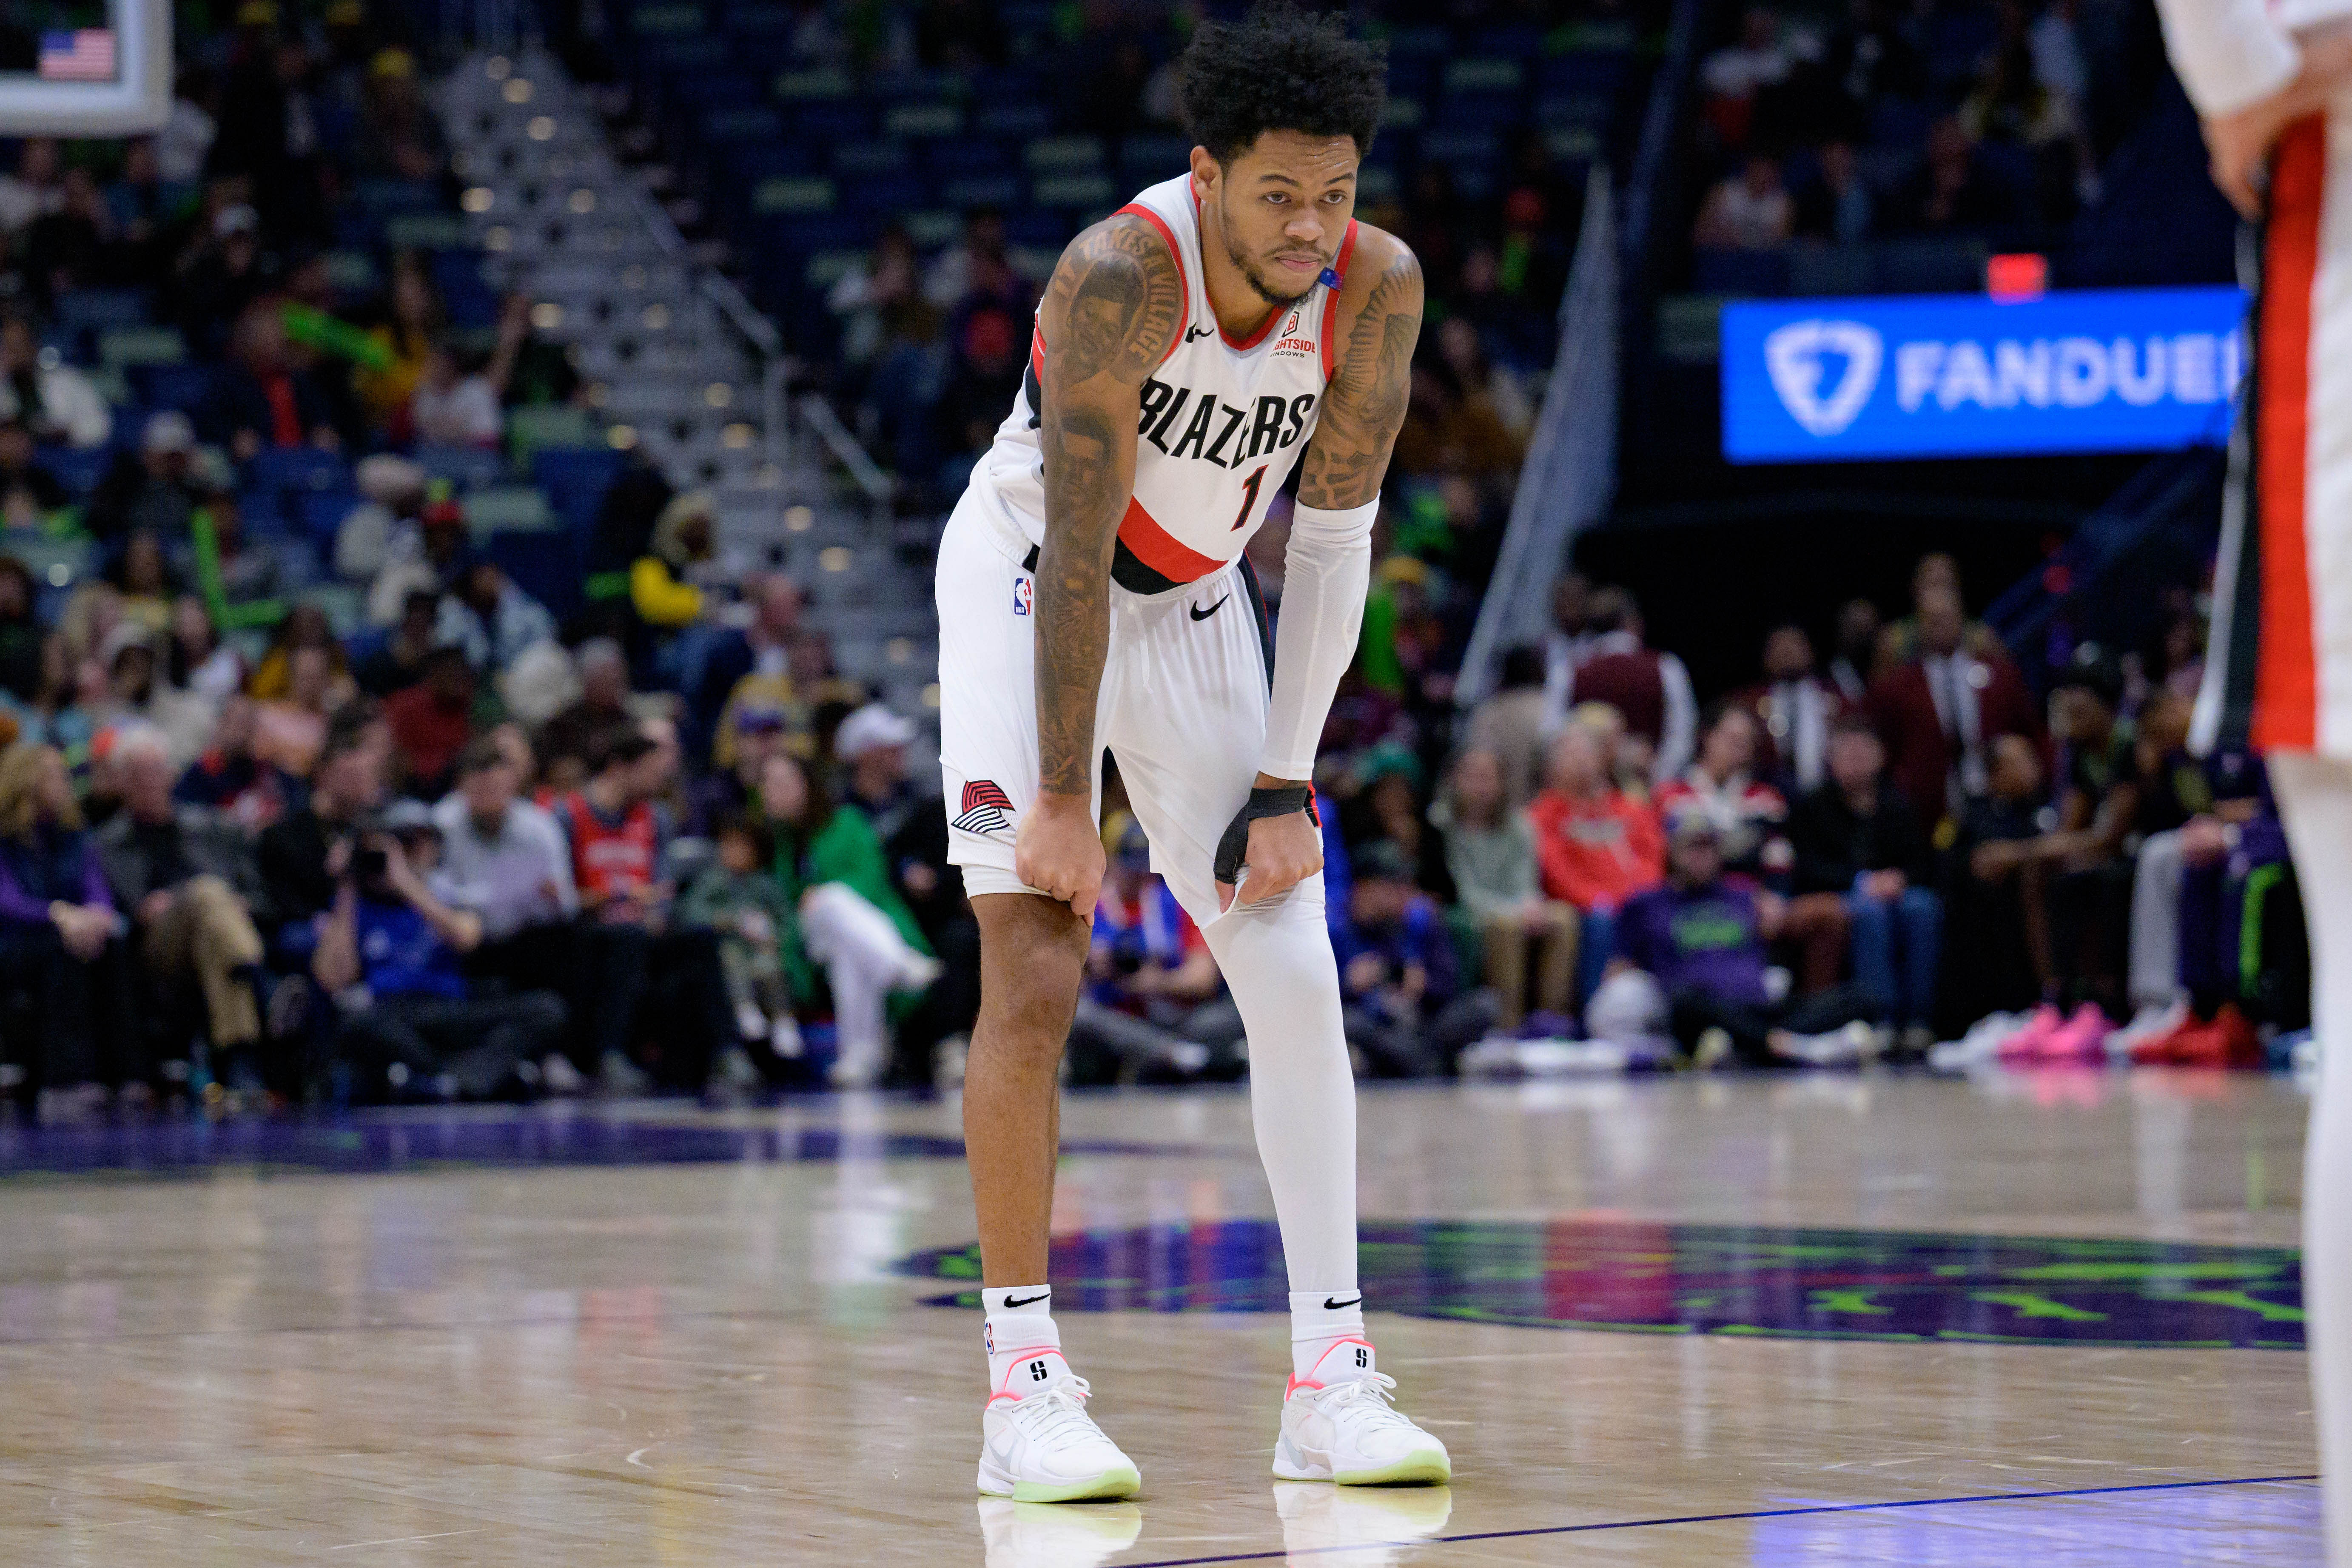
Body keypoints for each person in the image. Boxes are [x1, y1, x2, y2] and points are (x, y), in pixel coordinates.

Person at [931, 6, 1447, 1500]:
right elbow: (1081, 552)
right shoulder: (1117, 275)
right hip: (1036, 576)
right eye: (1280, 193)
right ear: (1207, 173)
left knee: (1293, 958)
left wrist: (1287, 782)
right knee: (1035, 960)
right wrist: (1059, 792)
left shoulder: (1378, 291)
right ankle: (1021, 1385)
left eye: (1337, 192)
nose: (1311, 226)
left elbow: (1335, 539)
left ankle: (1329, 1376)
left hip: (1204, 597)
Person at [312, 801, 564, 1103]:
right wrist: (347, 883)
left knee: (546, 1009)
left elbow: (466, 937)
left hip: (451, 1008)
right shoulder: (355, 907)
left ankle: (443, 1078)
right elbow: (332, 978)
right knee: (356, 1025)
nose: (405, 855)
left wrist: (406, 883)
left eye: (411, 845)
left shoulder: (446, 893)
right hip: (394, 1014)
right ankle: (459, 1076)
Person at [1588, 811, 1881, 1068]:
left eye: (1709, 846)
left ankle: (1757, 1045)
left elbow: (1779, 925)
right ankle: (1796, 1047)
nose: (1702, 856)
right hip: (1699, 1010)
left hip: (1755, 1005)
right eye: (1693, 847)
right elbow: (1620, 969)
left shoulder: (1745, 895)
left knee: (1863, 998)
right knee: (1683, 1002)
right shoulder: (1646, 904)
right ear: (1673, 851)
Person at [760, 751, 942, 1089]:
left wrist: (822, 894)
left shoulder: (847, 821)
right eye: (768, 784)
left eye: (783, 782)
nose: (773, 791)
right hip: (811, 940)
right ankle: (898, 965)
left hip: (859, 929)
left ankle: (860, 1055)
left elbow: (873, 879)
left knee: (845, 939)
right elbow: (783, 905)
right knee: (828, 902)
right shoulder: (780, 842)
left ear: (808, 786)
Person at [97, 725, 269, 1077]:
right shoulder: (105, 844)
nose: (148, 782)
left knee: (213, 924)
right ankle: (256, 970)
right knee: (207, 892)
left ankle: (240, 1065)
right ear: (123, 783)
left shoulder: (213, 829)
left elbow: (258, 894)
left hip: (212, 934)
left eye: (155, 771)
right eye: (137, 774)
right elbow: (105, 907)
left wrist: (238, 904)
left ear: (171, 776)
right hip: (156, 942)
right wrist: (140, 908)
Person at [0, 742, 140, 1117]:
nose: (64, 782)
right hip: (15, 941)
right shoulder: (5, 837)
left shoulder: (74, 834)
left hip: (68, 932)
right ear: (26, 781)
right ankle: (63, 1080)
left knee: (113, 942)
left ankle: (123, 1075)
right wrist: (59, 914)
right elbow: (8, 901)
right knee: (60, 947)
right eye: (54, 775)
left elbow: (96, 888)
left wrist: (97, 916)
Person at [1788, 717, 1939, 1047]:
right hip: (1842, 891)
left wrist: (1899, 879)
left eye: (1863, 753)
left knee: (1923, 908)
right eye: (1848, 754)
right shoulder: (1814, 805)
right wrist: (1863, 881)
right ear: (1832, 759)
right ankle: (1880, 1017)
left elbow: (1922, 861)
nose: (1856, 762)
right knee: (1870, 915)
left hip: (1897, 891)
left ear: (1880, 757)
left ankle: (1918, 1020)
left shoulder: (1897, 804)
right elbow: (1808, 866)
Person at [1068, 814, 1235, 1084]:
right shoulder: (1088, 907)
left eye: (1144, 865)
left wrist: (1158, 982)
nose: (1138, 876)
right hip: (1115, 1016)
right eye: (1129, 866)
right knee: (1080, 1017)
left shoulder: (1177, 905)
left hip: (1172, 1016)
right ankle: (1177, 1057)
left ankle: (1165, 1056)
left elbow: (1204, 977)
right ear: (1108, 861)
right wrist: (1090, 967)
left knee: (1229, 1015)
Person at [1526, 723, 1666, 1005]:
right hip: (1585, 909)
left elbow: (1652, 859)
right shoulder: (1543, 813)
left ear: (1602, 760)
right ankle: (1594, 1012)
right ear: (1552, 766)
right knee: (1602, 921)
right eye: (1570, 755)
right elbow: (1556, 873)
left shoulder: (1630, 809)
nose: (1580, 763)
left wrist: (1632, 901)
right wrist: (1604, 901)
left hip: (1632, 902)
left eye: (1586, 754)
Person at [1437, 748, 1574, 1030]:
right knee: (1507, 926)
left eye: (1488, 777)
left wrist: (1529, 905)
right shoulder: (1441, 824)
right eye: (1472, 777)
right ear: (1455, 780)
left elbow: (1526, 880)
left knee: (1563, 918)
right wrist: (1515, 911)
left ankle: (1551, 1023)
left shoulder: (1519, 825)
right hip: (1470, 913)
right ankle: (1507, 1026)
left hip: (1516, 909)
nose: (1480, 786)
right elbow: (1461, 889)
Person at [678, 811, 801, 1067]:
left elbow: (786, 919)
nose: (734, 853)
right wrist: (729, 920)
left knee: (771, 967)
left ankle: (783, 1020)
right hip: (729, 946)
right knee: (732, 960)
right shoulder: (714, 880)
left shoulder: (765, 884)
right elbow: (691, 911)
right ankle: (744, 1007)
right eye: (728, 846)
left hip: (760, 950)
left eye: (742, 847)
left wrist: (772, 933)